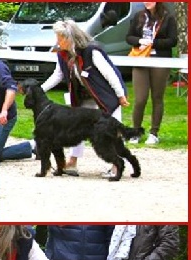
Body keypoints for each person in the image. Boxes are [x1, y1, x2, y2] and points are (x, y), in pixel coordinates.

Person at [42, 19, 129, 177]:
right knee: (77, 126)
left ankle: (116, 166)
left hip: (106, 96)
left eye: (59, 37)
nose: (57, 41)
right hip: (83, 96)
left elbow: (111, 74)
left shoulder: (91, 51)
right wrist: (40, 90)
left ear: (69, 38)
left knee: (112, 130)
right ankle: (72, 163)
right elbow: (58, 75)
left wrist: (121, 95)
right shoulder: (62, 54)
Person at [126, 2, 178, 145]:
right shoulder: (139, 16)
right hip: (141, 59)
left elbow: (173, 41)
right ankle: (135, 132)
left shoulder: (168, 18)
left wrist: (153, 43)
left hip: (160, 61)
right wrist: (139, 41)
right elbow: (129, 37)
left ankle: (154, 133)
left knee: (157, 97)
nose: (146, 2)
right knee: (140, 99)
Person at [0, 59, 36, 163]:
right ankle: (33, 146)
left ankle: (34, 145)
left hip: (4, 118)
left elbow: (11, 87)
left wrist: (4, 110)